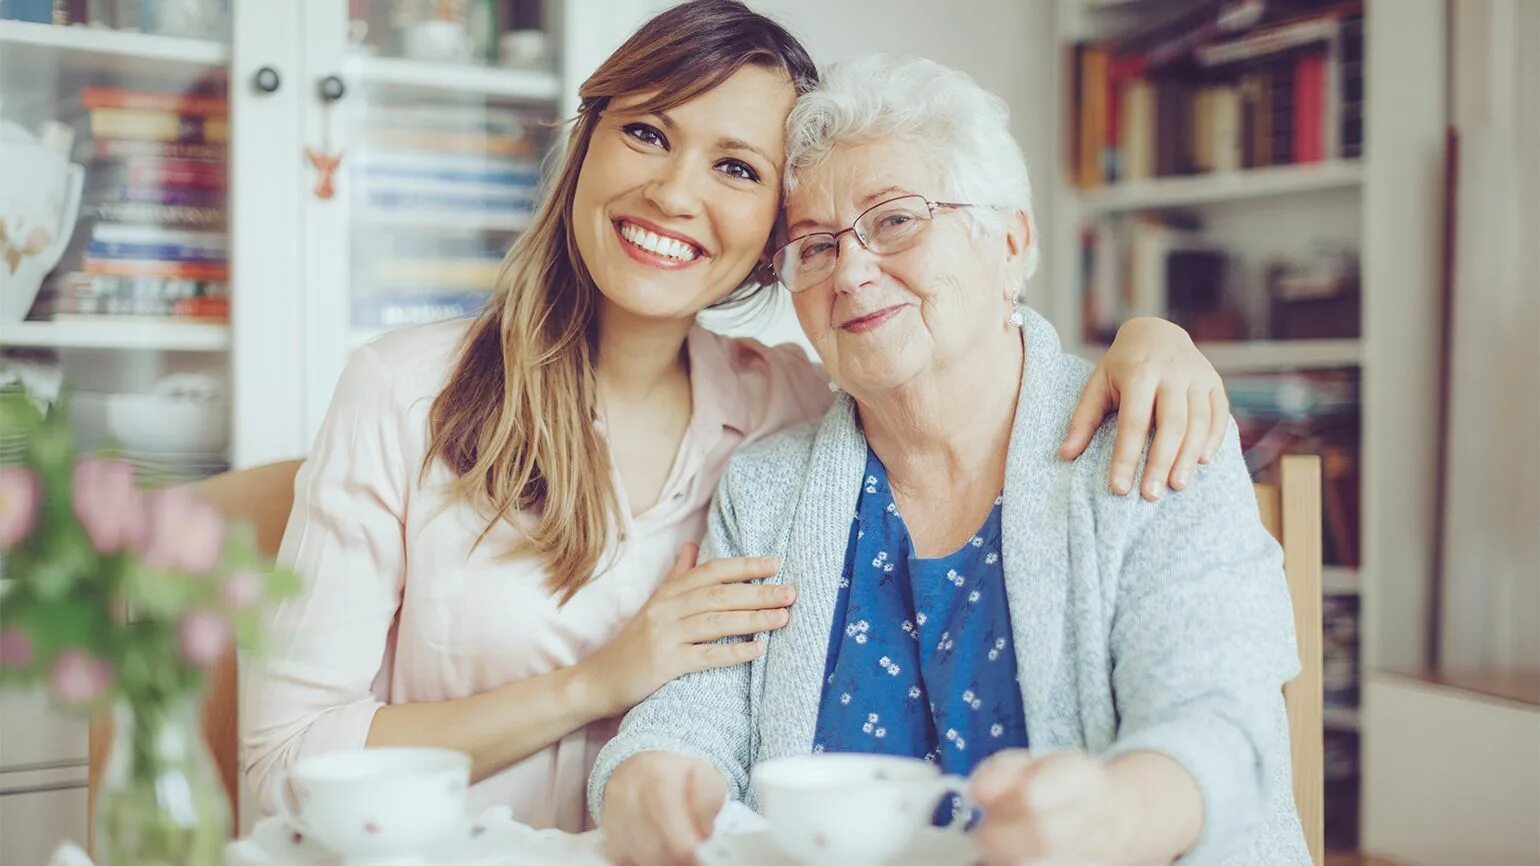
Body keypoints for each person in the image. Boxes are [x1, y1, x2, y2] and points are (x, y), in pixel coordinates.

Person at [243, 2, 1232, 833]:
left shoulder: (795, 413)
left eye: (737, 168)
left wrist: (1154, 337)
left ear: (770, 237)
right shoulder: (400, 391)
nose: (672, 192)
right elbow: (280, 764)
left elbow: (947, 354)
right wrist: (598, 679)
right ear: (586, 140)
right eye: (646, 132)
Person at [591, 55, 1309, 865]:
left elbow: (1218, 720)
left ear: (1011, 241)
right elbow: (692, 719)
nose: (852, 271)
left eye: (895, 220)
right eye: (816, 246)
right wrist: (645, 778)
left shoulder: (1150, 431)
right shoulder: (764, 488)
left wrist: (1116, 816)